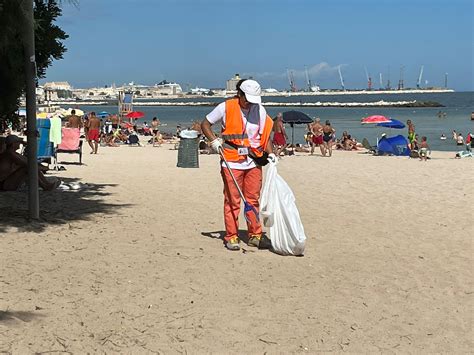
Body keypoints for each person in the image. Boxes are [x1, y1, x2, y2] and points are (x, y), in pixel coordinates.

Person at [201, 79, 275, 251]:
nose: (249, 103)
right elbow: (205, 124)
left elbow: (265, 136)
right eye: (246, 98)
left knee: (252, 200)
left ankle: (255, 235)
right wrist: (214, 142)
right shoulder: (226, 107)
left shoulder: (260, 110)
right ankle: (232, 236)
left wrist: (271, 154)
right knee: (233, 201)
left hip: (254, 161)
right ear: (239, 94)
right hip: (231, 160)